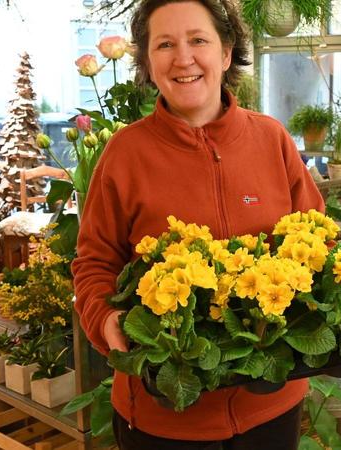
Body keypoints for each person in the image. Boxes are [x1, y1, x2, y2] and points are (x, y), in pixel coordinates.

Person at [71, 0, 325, 448]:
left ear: (226, 53)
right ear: (148, 63)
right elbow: (94, 263)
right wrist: (106, 320)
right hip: (165, 414)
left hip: (271, 405)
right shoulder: (124, 155)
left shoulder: (272, 140)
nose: (183, 58)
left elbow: (317, 238)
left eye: (198, 40)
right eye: (164, 44)